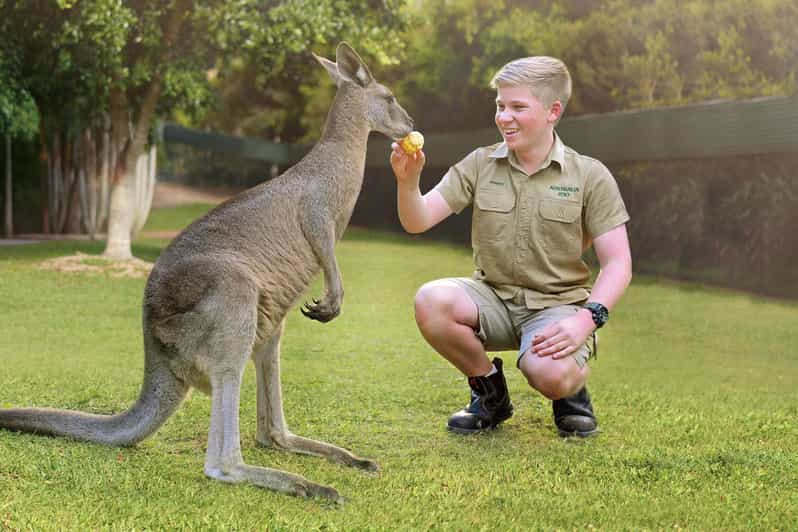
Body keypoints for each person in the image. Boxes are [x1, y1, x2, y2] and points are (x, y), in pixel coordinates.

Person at [389, 55, 632, 437]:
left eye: (518, 107)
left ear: (553, 111)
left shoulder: (589, 175)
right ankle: (490, 394)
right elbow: (417, 220)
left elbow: (618, 262)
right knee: (431, 300)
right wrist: (408, 181)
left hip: (558, 307)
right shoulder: (480, 164)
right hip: (493, 299)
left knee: (548, 373)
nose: (504, 117)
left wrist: (587, 320)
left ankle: (571, 391)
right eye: (501, 106)